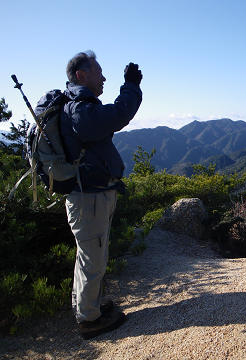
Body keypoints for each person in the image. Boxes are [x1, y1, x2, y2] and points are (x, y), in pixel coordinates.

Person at [61, 50, 142, 339]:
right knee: (92, 258)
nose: (103, 77)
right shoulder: (79, 108)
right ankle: (89, 319)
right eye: (98, 72)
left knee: (91, 255)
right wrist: (131, 87)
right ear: (81, 75)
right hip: (89, 197)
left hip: (90, 195)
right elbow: (115, 117)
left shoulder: (76, 105)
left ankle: (88, 307)